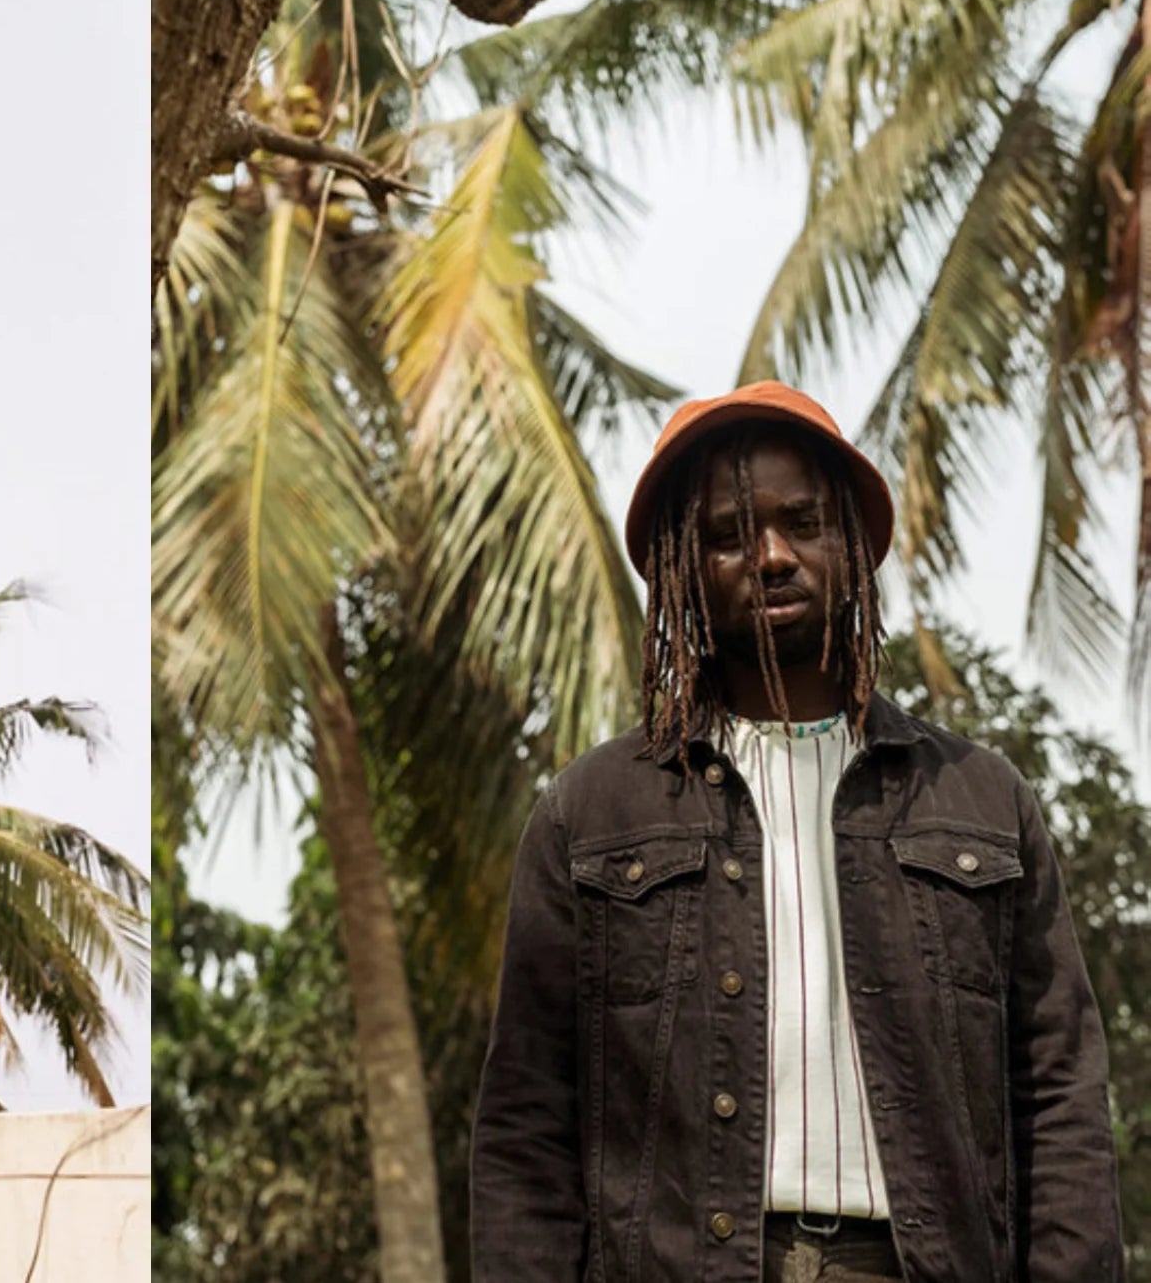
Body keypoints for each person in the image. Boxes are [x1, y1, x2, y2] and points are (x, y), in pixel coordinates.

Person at [468, 381, 1122, 1281]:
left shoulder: (979, 799)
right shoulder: (589, 815)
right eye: (727, 537)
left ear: (850, 544)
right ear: (679, 569)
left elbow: (1062, 1102)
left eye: (801, 522)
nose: (770, 555)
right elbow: (525, 1129)